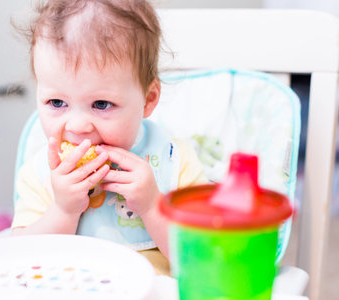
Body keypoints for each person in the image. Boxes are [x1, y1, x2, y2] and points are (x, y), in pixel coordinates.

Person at [11, 0, 207, 271]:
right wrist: (63, 210)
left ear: (148, 100)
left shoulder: (176, 162)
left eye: (101, 104)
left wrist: (152, 206)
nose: (78, 126)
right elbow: (20, 260)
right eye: (57, 103)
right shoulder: (41, 174)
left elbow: (204, 261)